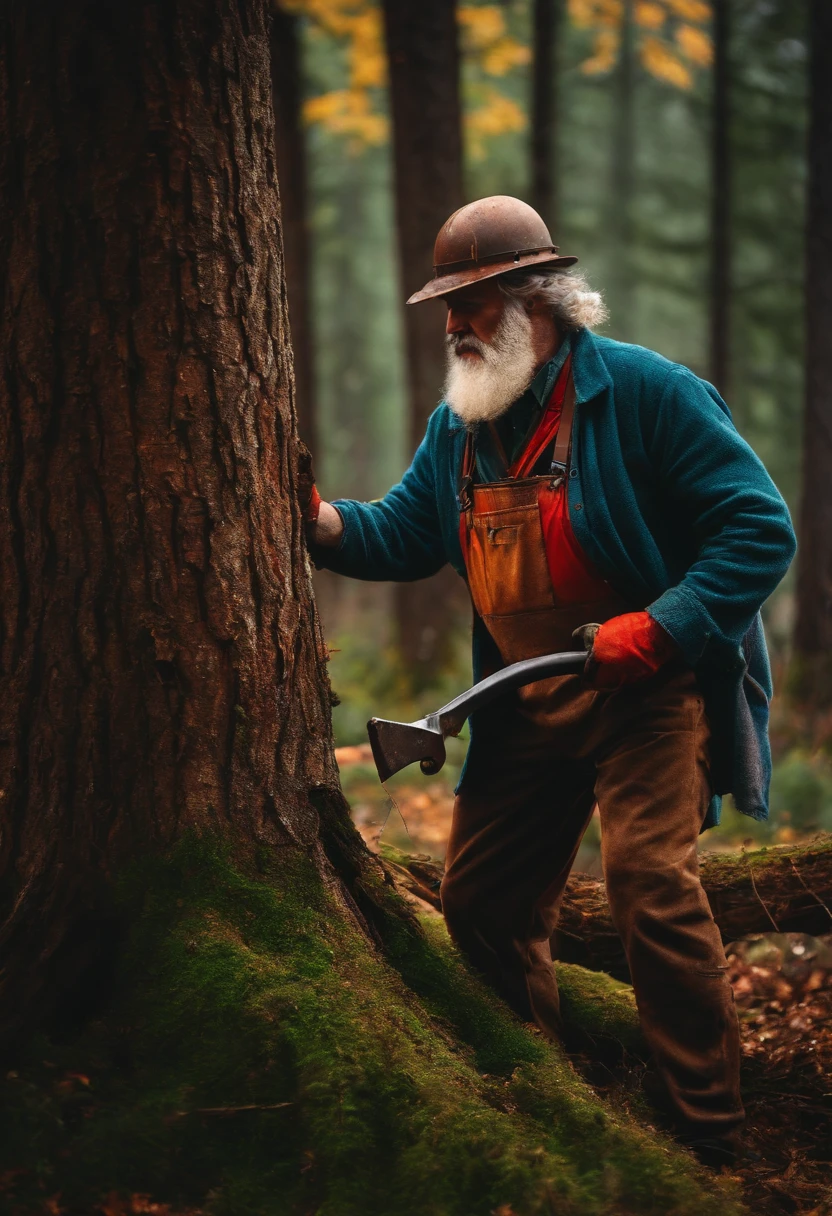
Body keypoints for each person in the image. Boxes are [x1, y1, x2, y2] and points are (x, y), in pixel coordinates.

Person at [303, 195, 796, 1167]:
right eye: (447, 308)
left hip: (648, 701)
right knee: (481, 902)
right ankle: (545, 1095)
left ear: (539, 302)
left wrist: (658, 628)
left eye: (472, 304)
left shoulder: (653, 395)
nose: (452, 326)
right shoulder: (465, 423)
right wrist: (319, 523)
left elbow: (757, 530)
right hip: (525, 705)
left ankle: (708, 1136)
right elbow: (405, 534)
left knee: (650, 887)